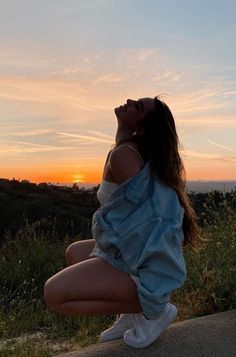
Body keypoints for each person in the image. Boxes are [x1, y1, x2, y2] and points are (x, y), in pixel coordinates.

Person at [44, 96, 200, 349]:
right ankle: (131, 315)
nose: (129, 100)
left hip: (141, 258)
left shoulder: (124, 156)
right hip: (134, 246)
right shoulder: (126, 149)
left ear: (143, 126)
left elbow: (146, 224)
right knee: (74, 252)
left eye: (138, 106)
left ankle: (153, 309)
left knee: (54, 295)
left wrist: (151, 285)